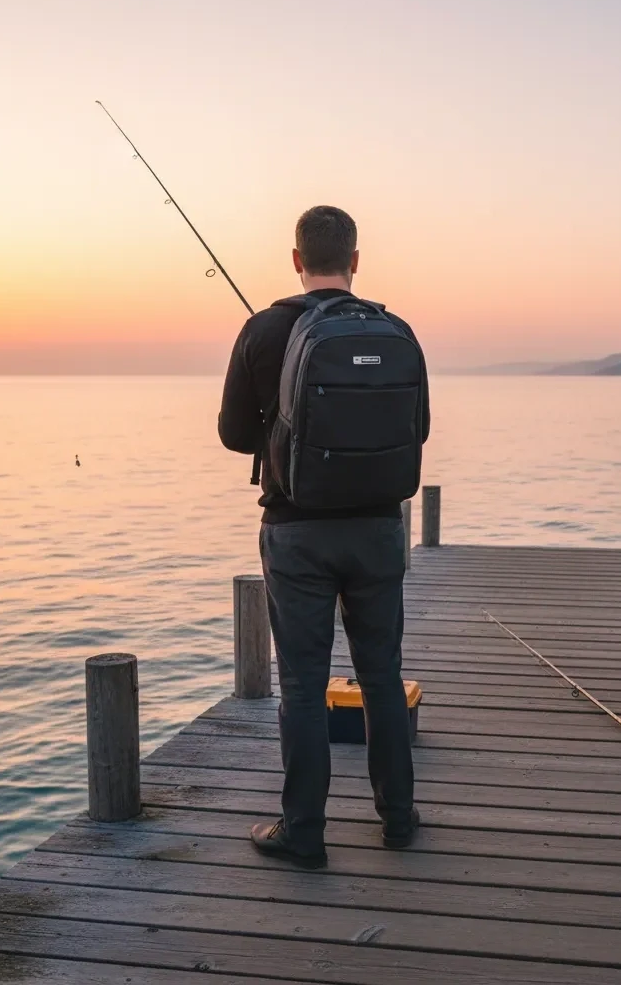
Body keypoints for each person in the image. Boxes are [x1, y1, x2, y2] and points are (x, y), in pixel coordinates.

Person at [218, 205, 430, 868]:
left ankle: (304, 832)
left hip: (297, 531)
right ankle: (398, 820)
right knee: (382, 675)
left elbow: (232, 434)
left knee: (305, 687)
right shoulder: (394, 330)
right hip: (378, 528)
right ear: (355, 261)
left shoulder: (264, 329)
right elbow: (419, 427)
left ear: (296, 260)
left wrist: (279, 428)